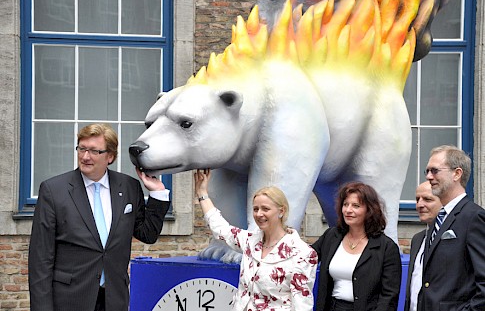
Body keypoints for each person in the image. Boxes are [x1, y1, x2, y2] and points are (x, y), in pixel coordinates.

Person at [28, 123, 171, 311]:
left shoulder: (129, 187)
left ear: (110, 156)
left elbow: (147, 234)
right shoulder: (53, 190)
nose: (85, 156)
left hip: (114, 299)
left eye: (94, 151)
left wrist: (158, 194)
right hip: (69, 300)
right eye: (82, 149)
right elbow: (40, 259)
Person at [194, 169, 318, 311]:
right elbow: (221, 229)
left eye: (265, 209)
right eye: (255, 209)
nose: (259, 214)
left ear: (281, 211)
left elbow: (302, 305)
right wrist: (202, 194)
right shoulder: (250, 241)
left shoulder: (303, 254)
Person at [311, 182, 402, 311]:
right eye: (345, 204)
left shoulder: (386, 247)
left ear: (369, 210)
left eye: (356, 206)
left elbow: (389, 295)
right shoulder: (331, 236)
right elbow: (306, 257)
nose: (348, 210)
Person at [420, 145, 485, 310]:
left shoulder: (474, 217)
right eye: (427, 171)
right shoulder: (439, 218)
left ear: (457, 173)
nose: (428, 176)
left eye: (435, 171)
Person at [403, 182, 442, 311]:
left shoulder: (455, 238)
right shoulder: (418, 239)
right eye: (417, 199)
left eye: (427, 199)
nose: (420, 204)